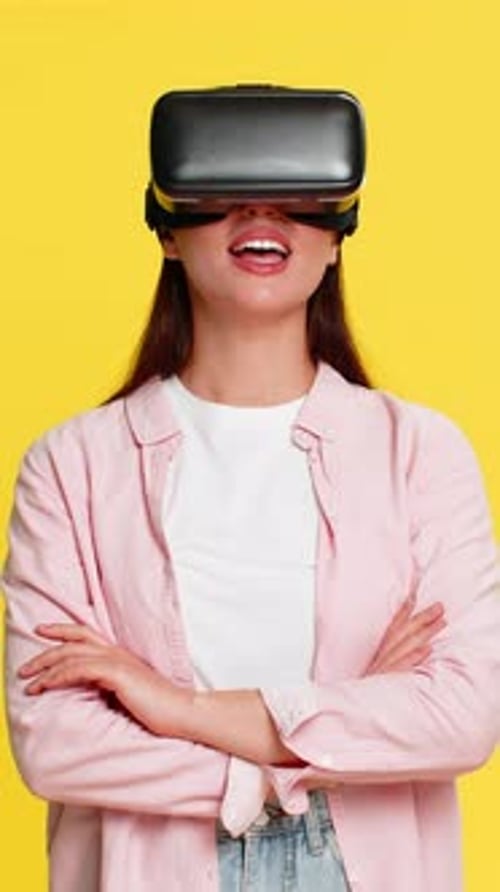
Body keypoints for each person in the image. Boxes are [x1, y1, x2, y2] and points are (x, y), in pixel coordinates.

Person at [2, 88, 500, 892]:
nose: (260, 215)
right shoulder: (72, 467)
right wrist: (314, 743)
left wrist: (171, 706)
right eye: (220, 193)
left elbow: (462, 717)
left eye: (301, 198)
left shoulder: (421, 454)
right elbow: (56, 741)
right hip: (150, 870)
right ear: (166, 227)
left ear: (339, 236)